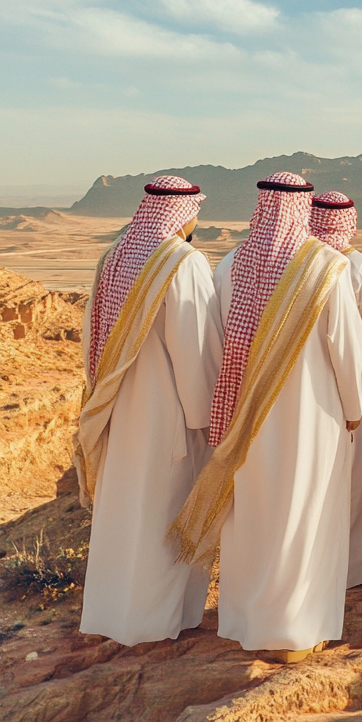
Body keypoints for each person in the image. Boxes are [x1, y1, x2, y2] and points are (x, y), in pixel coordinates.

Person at [167, 171, 362, 663]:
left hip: (242, 420)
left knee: (252, 517)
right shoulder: (326, 267)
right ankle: (294, 633)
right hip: (310, 420)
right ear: (303, 209)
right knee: (303, 515)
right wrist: (356, 411)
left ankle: (249, 623)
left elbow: (213, 342)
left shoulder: (231, 263)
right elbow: (347, 351)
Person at [76, 176, 219, 646]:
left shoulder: (113, 256)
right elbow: (194, 346)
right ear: (185, 214)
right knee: (162, 518)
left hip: (120, 410)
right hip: (167, 417)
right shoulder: (181, 262)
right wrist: (205, 417)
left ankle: (114, 615)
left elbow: (91, 336)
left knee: (124, 514)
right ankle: (156, 624)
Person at [309, 191, 362, 589]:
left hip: (309, 390)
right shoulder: (360, 266)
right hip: (356, 383)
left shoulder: (300, 264)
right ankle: (358, 566)